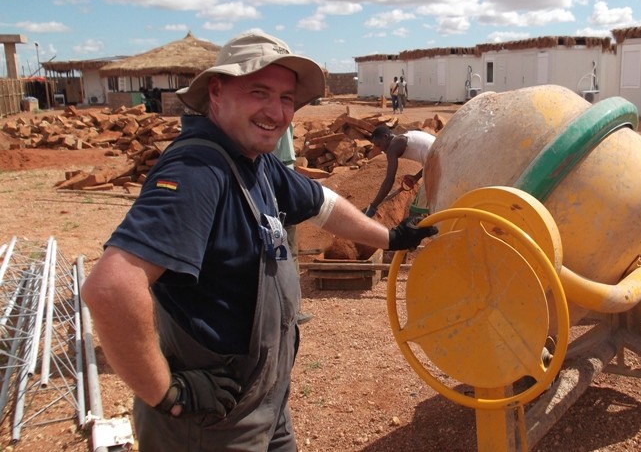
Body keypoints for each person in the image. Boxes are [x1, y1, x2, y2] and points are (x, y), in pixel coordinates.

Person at [80, 29, 437, 452]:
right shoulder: (199, 171)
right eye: (259, 92)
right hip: (212, 422)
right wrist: (166, 394)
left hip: (265, 402)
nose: (276, 110)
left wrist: (391, 236)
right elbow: (111, 288)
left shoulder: (255, 161)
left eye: (286, 98)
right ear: (216, 92)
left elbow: (323, 203)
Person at [272, 124, 313, 325]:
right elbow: (287, 160)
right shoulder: (282, 121)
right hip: (281, 192)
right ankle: (291, 310)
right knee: (289, 252)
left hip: (265, 191)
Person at [364, 125, 435, 218]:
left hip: (437, 166)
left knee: (415, 212)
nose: (380, 149)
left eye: (379, 145)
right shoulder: (406, 136)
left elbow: (389, 180)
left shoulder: (393, 147)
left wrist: (373, 206)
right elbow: (430, 159)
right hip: (440, 159)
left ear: (385, 137)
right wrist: (416, 177)